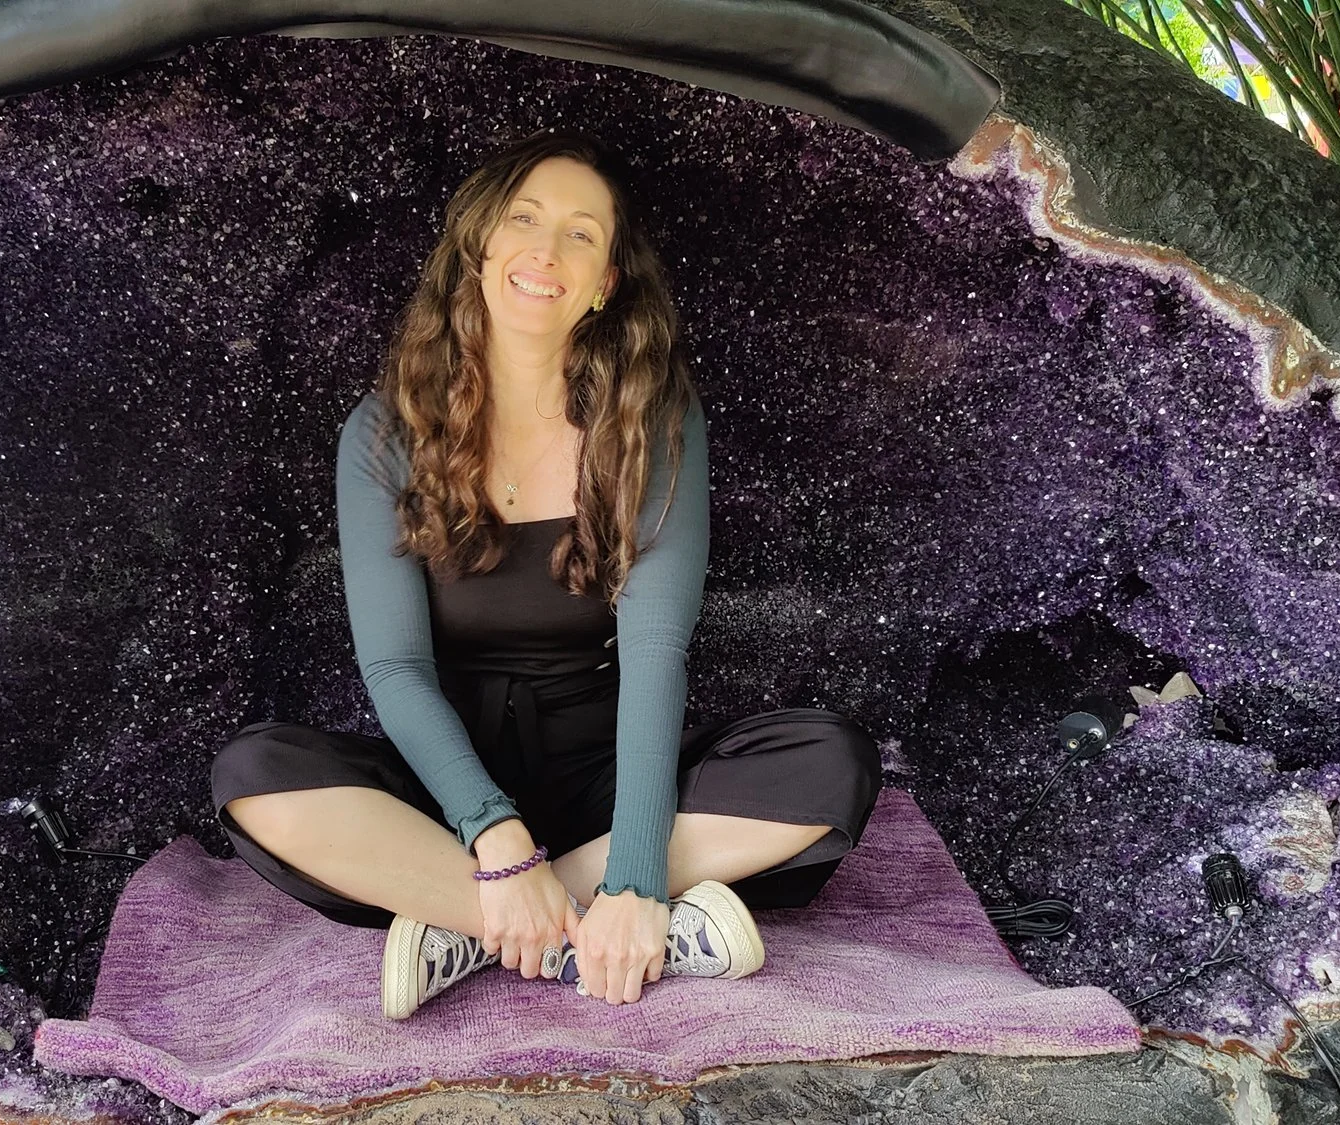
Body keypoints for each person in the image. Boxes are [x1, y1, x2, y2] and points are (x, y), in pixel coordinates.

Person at [211, 127, 880, 1020]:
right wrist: (496, 838)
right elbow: (395, 669)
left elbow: (655, 649)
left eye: (581, 233)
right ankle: (574, 926)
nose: (546, 250)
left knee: (831, 761)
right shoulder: (385, 430)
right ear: (479, 247)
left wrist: (636, 871)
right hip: (449, 790)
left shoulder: (651, 416)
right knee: (255, 775)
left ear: (605, 282)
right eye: (523, 219)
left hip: (610, 778)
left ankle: (488, 922)